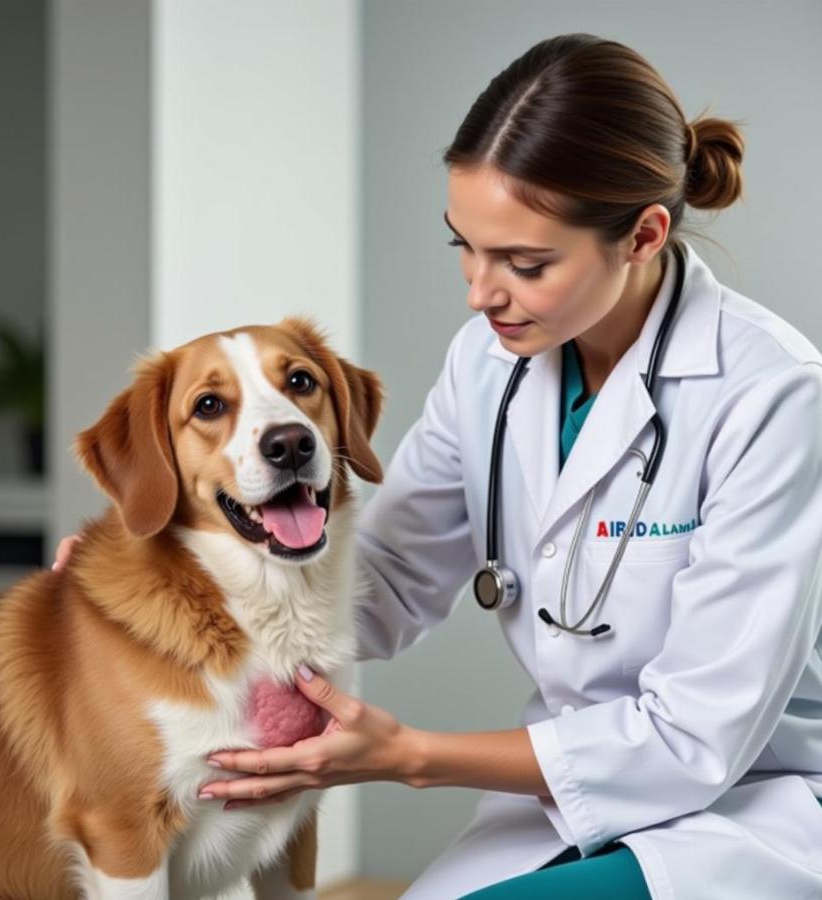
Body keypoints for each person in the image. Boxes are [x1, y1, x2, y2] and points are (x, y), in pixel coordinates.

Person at [53, 33, 822, 900]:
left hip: (752, 801)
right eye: (464, 244)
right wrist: (147, 594)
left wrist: (410, 759)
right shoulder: (490, 363)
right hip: (567, 791)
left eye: (524, 263)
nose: (479, 292)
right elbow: (387, 576)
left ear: (642, 235)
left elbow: (699, 736)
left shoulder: (771, 392)